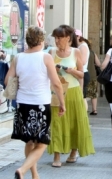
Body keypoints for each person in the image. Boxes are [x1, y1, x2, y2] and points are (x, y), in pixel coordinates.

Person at [6, 26, 65, 179]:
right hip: (40, 105)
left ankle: (34, 174)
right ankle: (23, 170)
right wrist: (62, 103)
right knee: (42, 142)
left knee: (29, 141)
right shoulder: (45, 58)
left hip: (22, 105)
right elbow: (57, 83)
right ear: (40, 40)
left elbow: (7, 80)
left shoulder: (18, 58)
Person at [48, 25, 95, 167]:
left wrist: (71, 71)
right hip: (57, 92)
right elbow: (46, 73)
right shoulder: (51, 52)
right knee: (56, 123)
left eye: (59, 38)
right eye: (55, 38)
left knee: (75, 122)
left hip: (73, 91)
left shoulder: (76, 52)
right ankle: (56, 155)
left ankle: (73, 152)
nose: (56, 41)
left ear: (68, 38)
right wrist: (54, 71)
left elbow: (82, 74)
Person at [75, 29, 90, 110]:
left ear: (78, 37)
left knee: (82, 96)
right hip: (80, 73)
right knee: (81, 96)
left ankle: (84, 115)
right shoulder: (80, 46)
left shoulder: (83, 46)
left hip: (82, 73)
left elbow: (83, 61)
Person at [85, 38, 101, 115]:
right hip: (93, 76)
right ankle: (94, 110)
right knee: (93, 94)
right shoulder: (92, 53)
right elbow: (98, 64)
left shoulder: (79, 52)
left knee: (83, 94)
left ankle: (84, 109)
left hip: (84, 76)